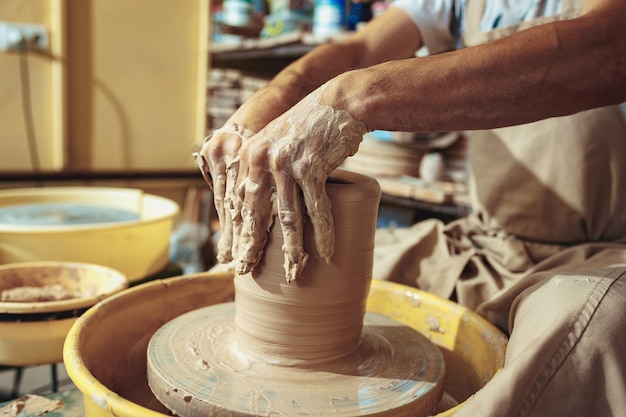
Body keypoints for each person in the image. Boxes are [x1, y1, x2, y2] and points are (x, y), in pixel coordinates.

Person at [195, 0, 626, 415]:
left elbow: (608, 46)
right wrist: (265, 107)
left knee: (586, 323)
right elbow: (360, 49)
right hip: (486, 244)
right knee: (244, 283)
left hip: (608, 252)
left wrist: (356, 97)